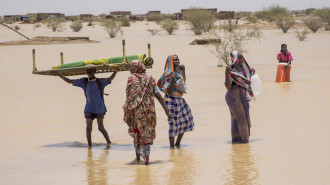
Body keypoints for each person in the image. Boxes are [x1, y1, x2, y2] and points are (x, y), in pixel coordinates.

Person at [123, 60, 171, 165]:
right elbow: (157, 94)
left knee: (137, 133)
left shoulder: (131, 79)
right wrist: (167, 112)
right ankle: (146, 160)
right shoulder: (150, 78)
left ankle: (138, 159)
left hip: (137, 112)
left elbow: (129, 97)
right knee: (147, 134)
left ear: (136, 68)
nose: (130, 69)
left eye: (131, 67)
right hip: (149, 111)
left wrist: (127, 112)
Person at [56, 68, 117, 147]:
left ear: (95, 72)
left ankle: (109, 142)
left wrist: (115, 72)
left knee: (100, 128)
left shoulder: (100, 82)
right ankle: (89, 146)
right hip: (89, 108)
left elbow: (109, 79)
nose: (89, 73)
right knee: (88, 128)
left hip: (99, 108)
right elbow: (69, 81)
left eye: (91, 72)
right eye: (88, 72)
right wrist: (59, 75)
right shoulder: (83, 82)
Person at [157, 54, 194, 148]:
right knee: (173, 124)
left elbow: (182, 82)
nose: (177, 62)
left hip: (180, 100)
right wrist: (172, 79)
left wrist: (183, 72)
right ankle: (172, 147)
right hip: (171, 100)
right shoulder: (168, 74)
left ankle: (178, 144)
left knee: (186, 120)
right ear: (170, 62)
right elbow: (168, 91)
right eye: (175, 60)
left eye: (178, 60)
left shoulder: (178, 71)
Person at [225, 51, 255, 143]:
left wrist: (251, 75)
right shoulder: (231, 69)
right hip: (233, 96)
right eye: (240, 58)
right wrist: (226, 73)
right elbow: (228, 86)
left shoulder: (244, 69)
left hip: (242, 95)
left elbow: (246, 82)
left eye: (242, 57)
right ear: (235, 59)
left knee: (239, 118)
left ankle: (237, 142)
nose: (242, 59)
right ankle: (245, 142)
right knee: (242, 118)